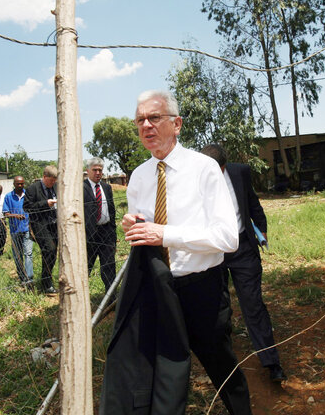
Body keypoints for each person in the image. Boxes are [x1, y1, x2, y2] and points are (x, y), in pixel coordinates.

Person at [104, 90, 251, 414]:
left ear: (177, 123)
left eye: (154, 118)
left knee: (221, 366)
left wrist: (165, 234)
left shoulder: (204, 169)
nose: (146, 125)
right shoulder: (140, 177)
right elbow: (147, 230)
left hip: (202, 288)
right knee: (163, 372)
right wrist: (134, 225)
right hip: (158, 288)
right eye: (140, 119)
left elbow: (228, 238)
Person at [201, 143, 286, 383]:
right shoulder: (196, 178)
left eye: (215, 172)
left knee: (253, 305)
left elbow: (253, 202)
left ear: (224, 167)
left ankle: (271, 362)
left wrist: (263, 229)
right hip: (213, 251)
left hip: (243, 248)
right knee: (218, 306)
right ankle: (224, 360)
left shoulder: (240, 172)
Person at [83, 157, 117, 293]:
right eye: (95, 170)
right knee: (85, 267)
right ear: (88, 171)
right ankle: (81, 296)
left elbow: (112, 210)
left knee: (109, 266)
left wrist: (113, 233)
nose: (98, 173)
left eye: (100, 170)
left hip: (106, 233)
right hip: (89, 234)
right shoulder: (81, 188)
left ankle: (111, 297)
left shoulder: (106, 187)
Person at [24, 166, 59, 294]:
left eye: (55, 181)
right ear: (44, 177)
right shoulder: (32, 189)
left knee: (53, 253)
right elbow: (27, 207)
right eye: (51, 181)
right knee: (48, 249)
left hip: (55, 224)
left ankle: (47, 279)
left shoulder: (56, 187)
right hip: (40, 224)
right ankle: (46, 283)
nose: (53, 183)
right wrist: (45, 203)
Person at [3, 176, 35, 289]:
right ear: (14, 184)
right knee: (18, 256)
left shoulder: (28, 195)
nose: (20, 186)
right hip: (15, 230)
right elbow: (5, 213)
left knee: (28, 254)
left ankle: (30, 279)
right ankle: (22, 277)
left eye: (22, 184)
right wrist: (15, 216)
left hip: (27, 229)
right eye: (18, 184)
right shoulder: (8, 197)